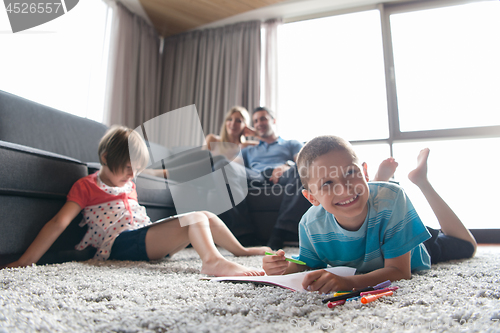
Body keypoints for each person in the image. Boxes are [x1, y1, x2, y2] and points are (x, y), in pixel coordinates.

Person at [2, 126, 270, 277]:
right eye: (128, 168)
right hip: (119, 244)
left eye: (137, 170)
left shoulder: (128, 183)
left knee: (206, 215)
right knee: (194, 218)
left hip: (143, 238)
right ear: (106, 158)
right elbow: (58, 222)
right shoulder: (86, 186)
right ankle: (212, 262)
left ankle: (241, 251)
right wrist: (27, 260)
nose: (133, 175)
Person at [262, 135, 477, 293]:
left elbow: (399, 271)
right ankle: (377, 183)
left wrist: (350, 283)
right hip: (379, 217)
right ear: (312, 198)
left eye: (351, 173)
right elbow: (310, 265)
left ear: (363, 170)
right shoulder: (310, 224)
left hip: (406, 240)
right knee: (376, 196)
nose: (343, 189)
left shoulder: (393, 198)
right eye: (327, 183)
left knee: (468, 247)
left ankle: (422, 182)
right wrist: (283, 267)